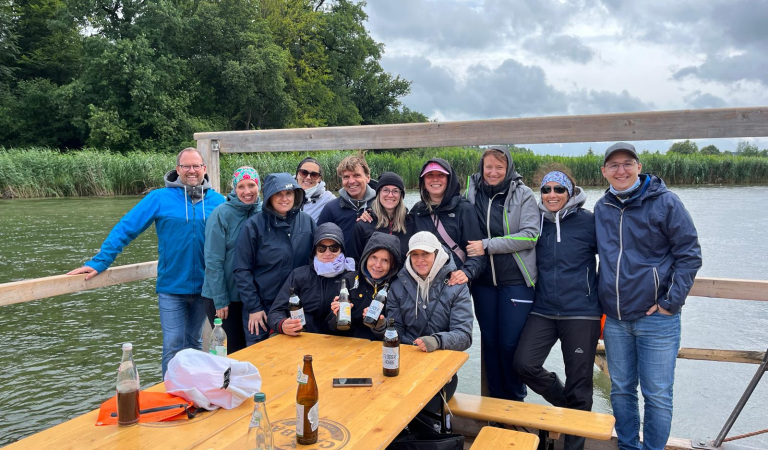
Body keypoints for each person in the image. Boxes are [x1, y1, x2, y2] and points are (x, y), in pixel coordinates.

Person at [66, 148, 225, 376]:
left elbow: (236, 237)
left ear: (204, 169)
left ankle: (191, 394)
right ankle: (170, 394)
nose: (192, 171)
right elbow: (126, 227)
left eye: (196, 166)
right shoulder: (159, 198)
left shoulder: (218, 201)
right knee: (172, 344)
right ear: (178, 169)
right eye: (186, 166)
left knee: (193, 342)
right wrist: (101, 261)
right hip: (171, 287)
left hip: (205, 288)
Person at [595, 142, 702, 450]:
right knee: (621, 390)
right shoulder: (603, 207)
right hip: (615, 319)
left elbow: (690, 255)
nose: (621, 170)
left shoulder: (666, 202)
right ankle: (628, 446)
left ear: (639, 167)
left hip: (657, 319)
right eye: (613, 165)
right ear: (604, 172)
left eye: (627, 163)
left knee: (657, 393)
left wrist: (670, 304)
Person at [513, 166, 600, 450]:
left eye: (559, 189)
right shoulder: (536, 221)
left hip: (581, 312)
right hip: (544, 309)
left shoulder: (590, 222)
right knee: (524, 363)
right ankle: (567, 405)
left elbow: (615, 258)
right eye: (546, 189)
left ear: (570, 192)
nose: (552, 194)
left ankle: (573, 444)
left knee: (580, 382)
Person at [464, 146, 538, 402]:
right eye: (489, 167)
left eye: (499, 167)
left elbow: (530, 235)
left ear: (508, 169)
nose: (493, 172)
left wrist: (487, 245)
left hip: (515, 281)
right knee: (491, 344)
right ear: (481, 168)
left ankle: (516, 401)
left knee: (510, 345)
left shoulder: (524, 194)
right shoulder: (472, 192)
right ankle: (495, 404)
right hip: (483, 282)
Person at [383, 231, 473, 428]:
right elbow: (394, 327)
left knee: (419, 409)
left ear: (437, 254)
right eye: (415, 254)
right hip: (405, 366)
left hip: (440, 370)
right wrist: (386, 329)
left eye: (426, 254)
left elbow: (464, 336)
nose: (420, 260)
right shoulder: (398, 285)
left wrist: (437, 341)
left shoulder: (457, 285)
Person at [234, 172, 316, 345]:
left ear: (296, 195)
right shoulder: (253, 226)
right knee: (259, 362)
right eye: (278, 194)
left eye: (288, 193)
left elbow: (317, 261)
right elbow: (242, 270)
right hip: (261, 309)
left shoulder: (307, 222)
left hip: (297, 307)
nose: (284, 198)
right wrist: (253, 307)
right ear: (269, 197)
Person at [202, 166, 262, 354]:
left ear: (258, 186)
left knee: (254, 350)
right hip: (224, 297)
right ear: (234, 188)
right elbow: (213, 260)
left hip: (252, 297)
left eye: (251, 185)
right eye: (241, 186)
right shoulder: (221, 214)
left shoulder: (264, 211)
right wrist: (220, 300)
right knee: (231, 351)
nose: (247, 191)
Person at [267, 223, 354, 336]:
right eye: (322, 248)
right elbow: (276, 311)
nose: (328, 253)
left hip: (338, 338)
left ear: (341, 249)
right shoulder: (299, 275)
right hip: (302, 336)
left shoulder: (351, 277)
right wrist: (282, 324)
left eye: (334, 248)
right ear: (314, 250)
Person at [409, 158, 486, 286]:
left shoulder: (464, 209)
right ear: (423, 180)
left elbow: (477, 254)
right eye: (429, 175)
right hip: (424, 283)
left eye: (440, 175)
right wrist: (369, 214)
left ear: (449, 179)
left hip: (454, 282)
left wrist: (466, 273)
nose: (435, 179)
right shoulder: (417, 210)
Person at [329, 232, 403, 340]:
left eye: (385, 260)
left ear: (392, 265)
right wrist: (336, 316)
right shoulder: (348, 280)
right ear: (366, 257)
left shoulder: (396, 287)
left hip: (380, 347)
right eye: (374, 257)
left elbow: (398, 332)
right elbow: (330, 327)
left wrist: (381, 325)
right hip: (348, 345)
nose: (377, 265)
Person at [317, 154, 376, 251]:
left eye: (357, 175)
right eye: (346, 177)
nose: (351, 181)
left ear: (368, 178)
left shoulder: (380, 206)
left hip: (373, 265)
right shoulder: (331, 209)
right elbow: (319, 242)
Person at [348, 171, 410, 262]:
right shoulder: (363, 225)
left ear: (401, 195)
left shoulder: (411, 223)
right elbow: (354, 261)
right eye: (385, 190)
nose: (390, 195)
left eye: (395, 191)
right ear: (378, 193)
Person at [295, 157, 335, 222]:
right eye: (304, 172)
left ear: (319, 179)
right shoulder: (285, 193)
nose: (308, 177)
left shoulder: (328, 198)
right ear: (297, 175)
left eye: (314, 175)